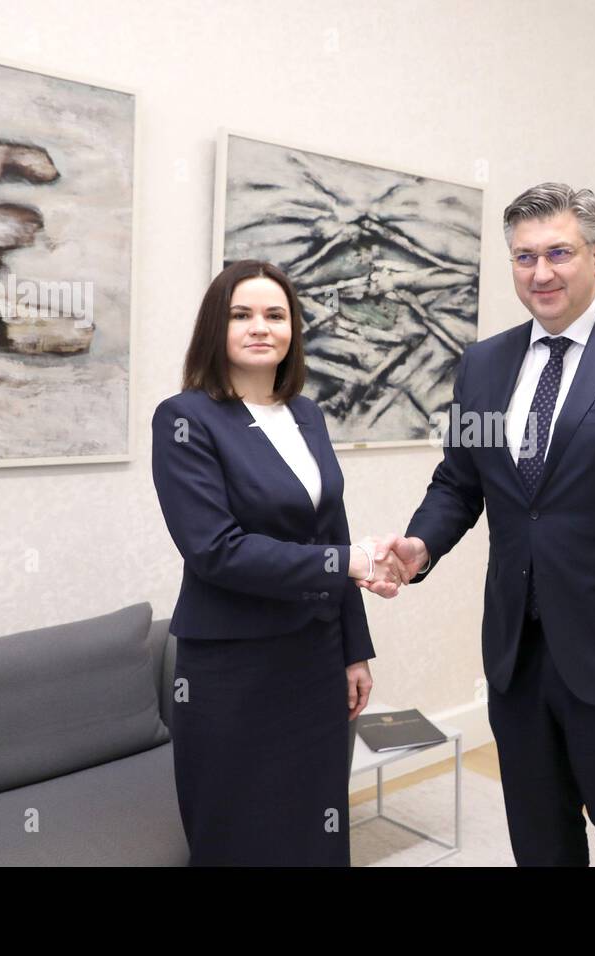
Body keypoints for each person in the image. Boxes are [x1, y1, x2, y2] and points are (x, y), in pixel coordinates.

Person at [363, 183, 595, 866]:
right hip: (516, 654)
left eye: (558, 252)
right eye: (524, 257)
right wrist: (418, 546)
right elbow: (460, 480)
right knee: (539, 838)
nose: (541, 272)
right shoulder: (484, 363)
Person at [151, 260, 406, 866]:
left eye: (275, 314)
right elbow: (217, 551)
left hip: (313, 661)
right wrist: (347, 562)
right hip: (233, 668)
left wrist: (353, 649)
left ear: (293, 328)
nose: (260, 327)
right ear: (217, 327)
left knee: (315, 824)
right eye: (241, 315)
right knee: (239, 831)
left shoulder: (308, 415)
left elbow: (329, 526)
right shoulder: (185, 418)